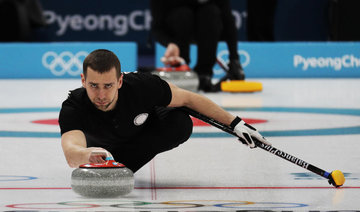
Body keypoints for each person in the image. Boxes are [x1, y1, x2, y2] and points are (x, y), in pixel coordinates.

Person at [59, 49, 270, 173]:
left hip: (142, 135)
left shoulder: (142, 86)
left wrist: (235, 123)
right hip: (105, 150)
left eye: (108, 86)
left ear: (120, 81)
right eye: (94, 85)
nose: (101, 95)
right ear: (83, 80)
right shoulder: (73, 107)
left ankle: (123, 166)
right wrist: (89, 154)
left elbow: (188, 98)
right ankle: (117, 162)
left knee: (180, 123)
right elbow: (72, 152)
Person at [150, 0, 245, 92]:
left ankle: (204, 73)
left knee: (211, 11)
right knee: (183, 14)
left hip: (207, 24)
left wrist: (234, 58)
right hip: (177, 25)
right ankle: (181, 69)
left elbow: (228, 20)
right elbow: (157, 27)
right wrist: (170, 43)